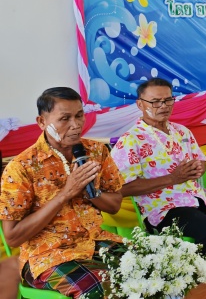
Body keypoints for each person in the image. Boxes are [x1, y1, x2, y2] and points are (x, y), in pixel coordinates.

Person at [113, 78, 206, 273]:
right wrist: (173, 178)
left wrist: (198, 168)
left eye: (168, 100)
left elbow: (200, 160)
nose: (163, 106)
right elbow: (123, 189)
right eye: (155, 101)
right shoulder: (129, 141)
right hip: (163, 208)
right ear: (140, 104)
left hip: (197, 196)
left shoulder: (181, 131)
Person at [0, 87, 123, 298]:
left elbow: (115, 206)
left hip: (96, 242)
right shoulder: (22, 167)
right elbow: (12, 238)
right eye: (65, 118)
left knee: (154, 264)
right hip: (47, 256)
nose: (75, 125)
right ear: (42, 122)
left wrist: (91, 191)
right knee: (104, 286)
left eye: (79, 115)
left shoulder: (96, 151)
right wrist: (66, 193)